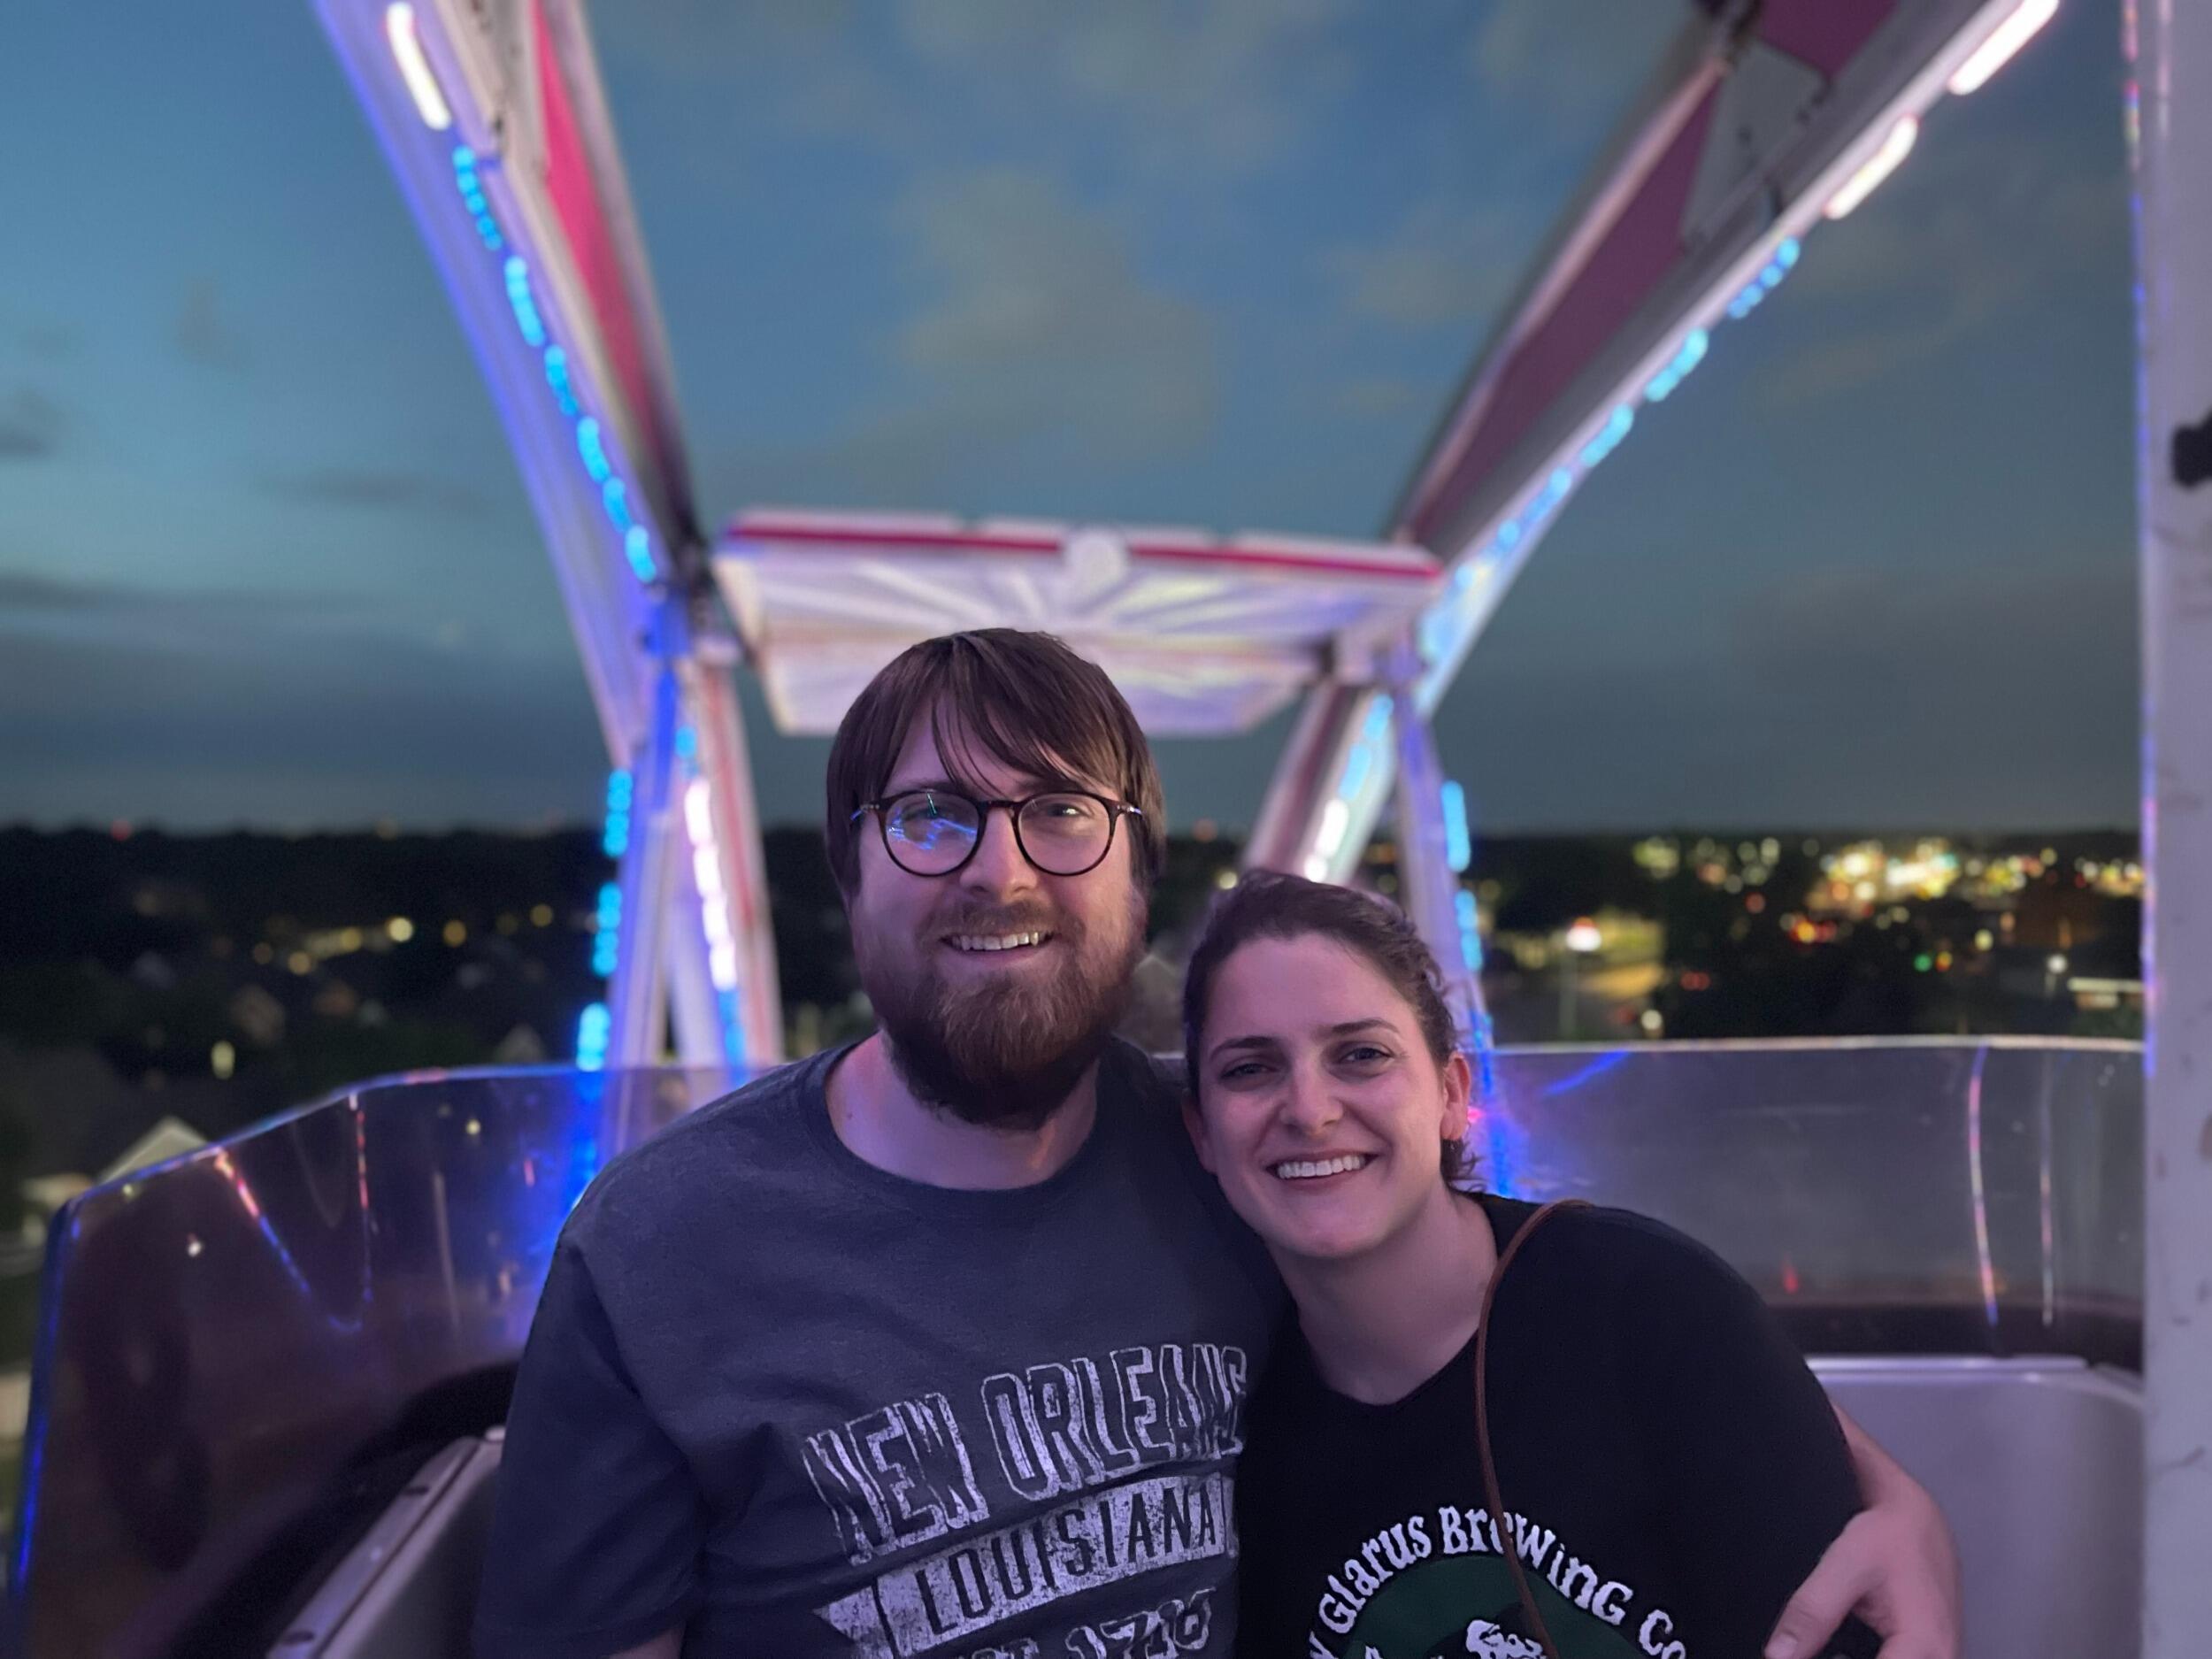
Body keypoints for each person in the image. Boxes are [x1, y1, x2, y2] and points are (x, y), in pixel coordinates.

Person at [473, 628, 1959, 1659]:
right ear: (847, 871)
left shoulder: (1229, 1153)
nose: (1000, 872)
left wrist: (1892, 1501)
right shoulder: (660, 1249)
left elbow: (1547, 1307)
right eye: (933, 815)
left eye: (1060, 813)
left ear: (1137, 875)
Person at [1179, 872, 1912, 1659]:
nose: (1310, 1109)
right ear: (1202, 1134)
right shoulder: (1233, 1426)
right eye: (1250, 1069)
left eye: (1361, 1054)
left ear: (1452, 1094)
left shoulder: (1651, 1316)